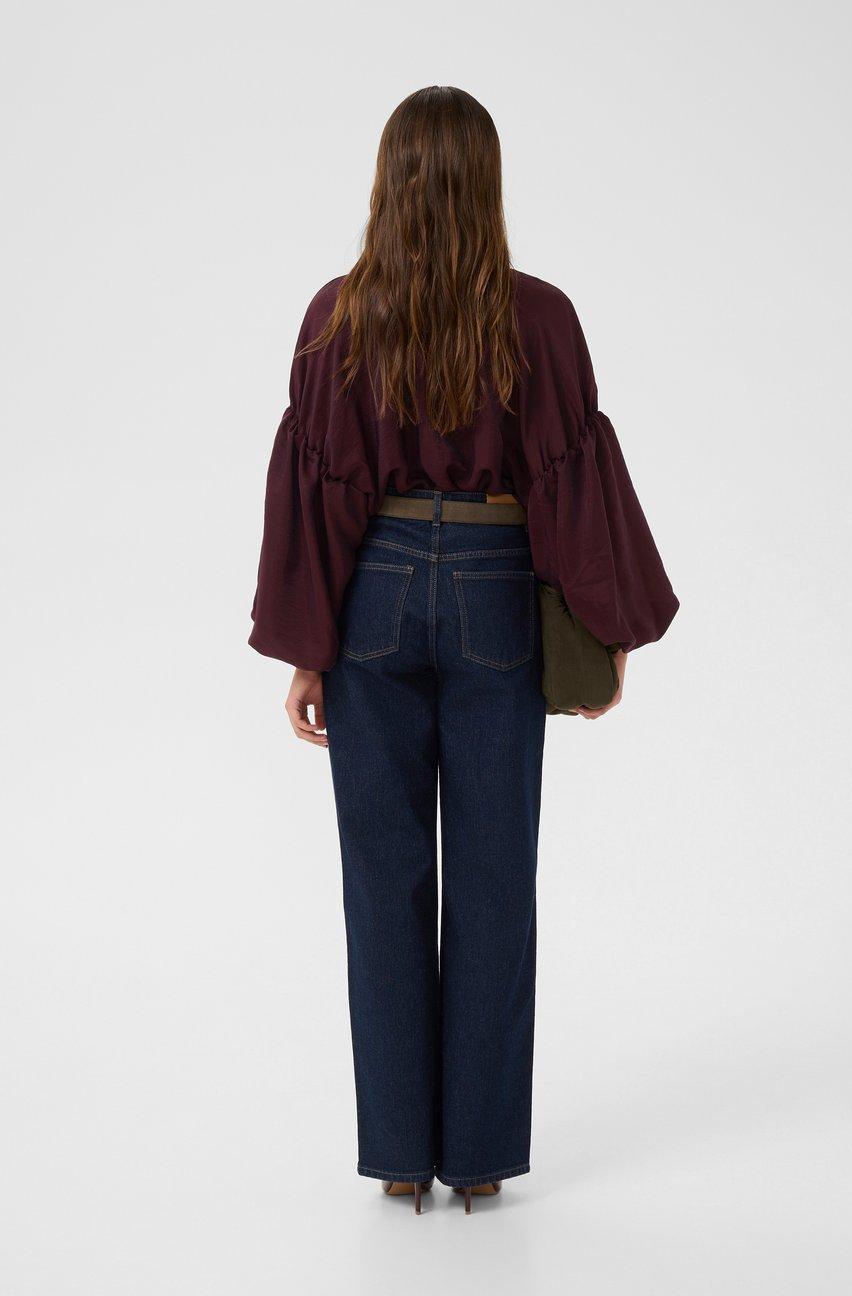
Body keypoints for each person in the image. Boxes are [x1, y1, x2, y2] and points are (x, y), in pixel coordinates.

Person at [249, 86, 678, 1214]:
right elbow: (569, 479)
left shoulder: (337, 317)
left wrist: (309, 648)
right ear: (487, 183)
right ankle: (479, 1155)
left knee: (380, 878)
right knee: (493, 879)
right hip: (495, 588)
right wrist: (605, 631)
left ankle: (401, 1154)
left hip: (374, 591)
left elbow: (319, 495)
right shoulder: (540, 317)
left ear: (388, 181)